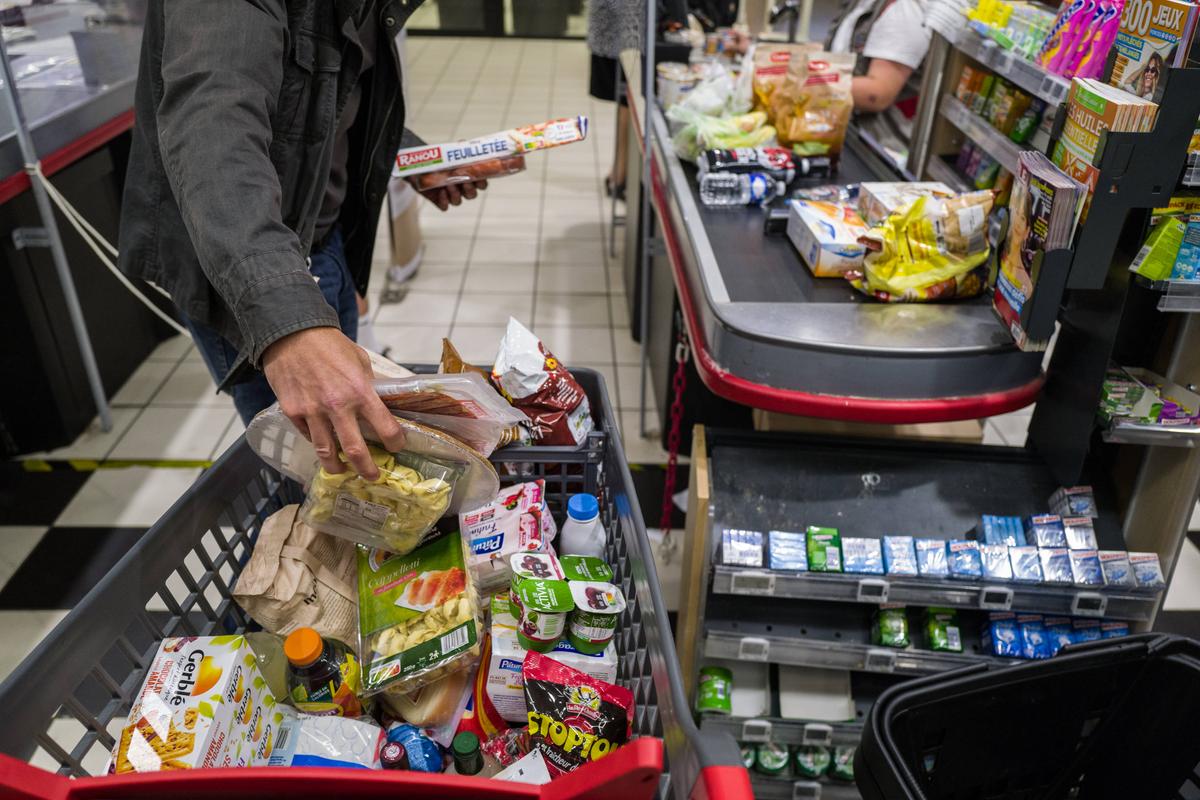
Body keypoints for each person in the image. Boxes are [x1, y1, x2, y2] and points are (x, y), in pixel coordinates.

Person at [117, 1, 484, 481]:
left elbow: (326, 91)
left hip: (319, 236)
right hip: (247, 265)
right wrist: (290, 325)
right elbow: (215, 130)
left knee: (348, 454)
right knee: (313, 474)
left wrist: (410, 153)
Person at [826, 0, 932, 164]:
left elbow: (877, 93)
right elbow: (840, 53)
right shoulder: (863, 4)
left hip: (875, 153)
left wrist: (808, 85)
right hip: (843, 132)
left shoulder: (904, 11)